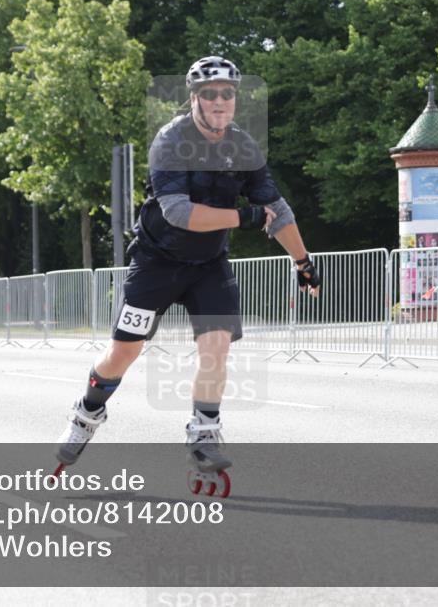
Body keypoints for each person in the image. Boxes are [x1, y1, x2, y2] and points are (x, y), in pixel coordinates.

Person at [54, 56, 321, 492]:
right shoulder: (170, 141)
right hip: (157, 262)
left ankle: (203, 436)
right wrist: (244, 218)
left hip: (208, 266)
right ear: (194, 98)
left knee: (216, 349)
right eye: (209, 93)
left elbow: (278, 210)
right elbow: (178, 213)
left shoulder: (243, 147)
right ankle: (86, 414)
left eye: (228, 94)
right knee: (123, 353)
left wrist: (303, 262)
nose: (219, 101)